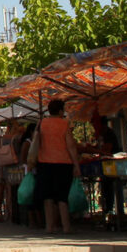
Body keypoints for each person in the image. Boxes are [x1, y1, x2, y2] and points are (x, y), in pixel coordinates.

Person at [35, 99, 81, 234]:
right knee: (62, 197)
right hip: (63, 163)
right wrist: (76, 164)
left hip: (44, 162)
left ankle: (49, 227)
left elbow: (36, 142)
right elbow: (71, 146)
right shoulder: (64, 124)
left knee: (48, 197)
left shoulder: (41, 123)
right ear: (61, 110)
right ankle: (66, 227)